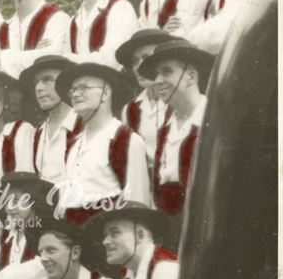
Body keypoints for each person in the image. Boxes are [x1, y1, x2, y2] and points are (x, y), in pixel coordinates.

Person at [53, 62, 152, 223]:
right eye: (73, 90)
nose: (75, 94)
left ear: (105, 93)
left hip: (104, 234)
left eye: (83, 88)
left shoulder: (126, 140)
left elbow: (138, 203)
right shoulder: (74, 143)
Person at [138, 40, 212, 231]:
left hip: (204, 227)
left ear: (191, 76)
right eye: (156, 74)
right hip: (169, 231)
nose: (157, 80)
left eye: (167, 71)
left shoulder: (214, 121)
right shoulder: (165, 129)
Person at [116, 29, 176, 169]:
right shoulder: (130, 110)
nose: (138, 67)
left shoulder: (181, 99)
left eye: (146, 57)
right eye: (135, 61)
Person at [22, 55, 83, 184]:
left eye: (47, 80)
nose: (38, 88)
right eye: (36, 82)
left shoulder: (85, 126)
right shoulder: (37, 133)